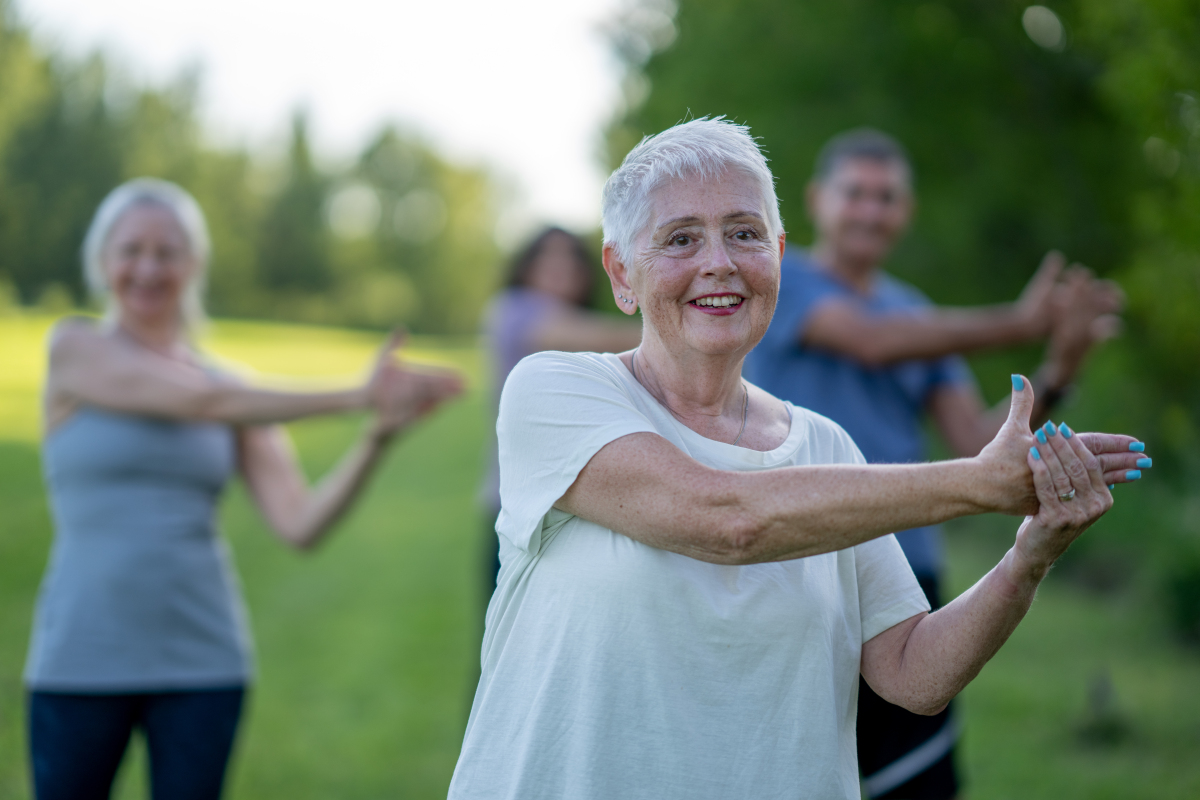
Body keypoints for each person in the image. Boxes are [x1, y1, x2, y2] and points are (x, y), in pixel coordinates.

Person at [447, 118, 1148, 799]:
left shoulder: (826, 446)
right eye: (681, 238)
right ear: (622, 273)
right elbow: (724, 520)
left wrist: (1030, 555)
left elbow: (913, 673)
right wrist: (980, 483)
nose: (718, 261)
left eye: (744, 234)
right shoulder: (554, 390)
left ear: (779, 255)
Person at [24, 178, 462, 800]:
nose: (148, 267)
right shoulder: (74, 349)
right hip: (79, 658)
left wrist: (376, 437)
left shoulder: (236, 390)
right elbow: (203, 400)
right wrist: (356, 393)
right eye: (131, 250)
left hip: (203, 661)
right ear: (103, 261)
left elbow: (301, 524)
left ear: (193, 265)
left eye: (167, 252)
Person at [744, 128, 1133, 799]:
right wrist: (1019, 322)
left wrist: (1059, 369)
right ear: (815, 200)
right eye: (855, 193)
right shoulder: (780, 281)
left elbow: (978, 443)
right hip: (796, 559)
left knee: (914, 778)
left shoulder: (916, 311)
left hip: (904, 571)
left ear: (907, 212)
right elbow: (868, 342)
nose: (871, 209)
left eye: (887, 197)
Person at [479, 227, 640, 589]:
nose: (561, 265)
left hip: (587, 510)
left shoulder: (587, 321)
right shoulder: (513, 309)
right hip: (518, 506)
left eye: (571, 256)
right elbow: (575, 335)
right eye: (548, 255)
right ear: (526, 266)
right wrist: (687, 328)